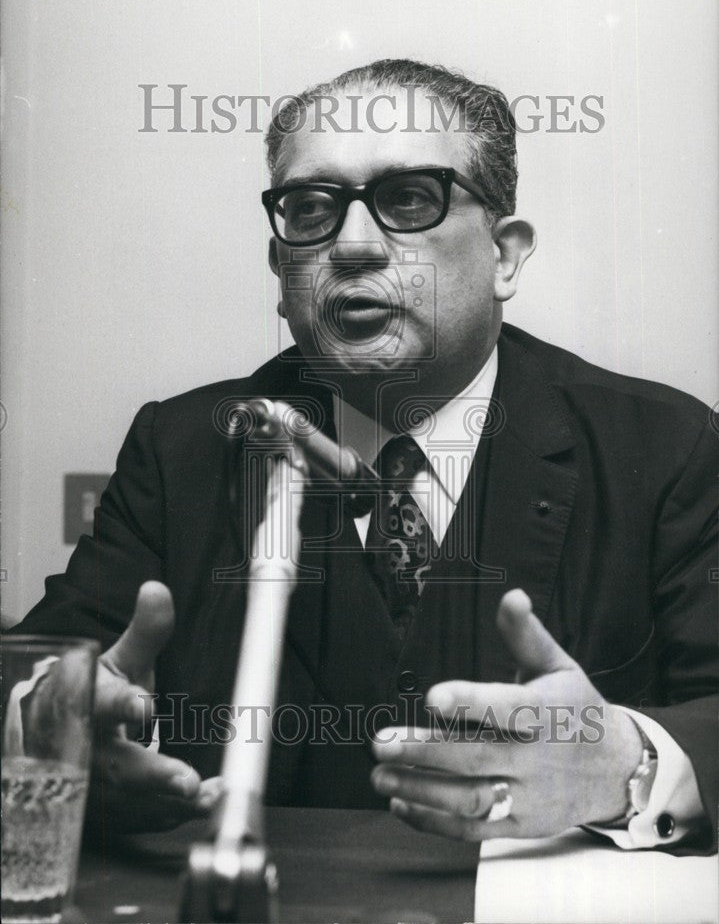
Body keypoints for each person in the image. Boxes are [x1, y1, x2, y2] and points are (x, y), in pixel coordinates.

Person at [15, 60, 717, 852]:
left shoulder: (661, 445)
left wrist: (631, 766)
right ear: (282, 271)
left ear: (505, 256)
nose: (351, 246)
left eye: (407, 199)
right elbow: (44, 686)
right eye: (311, 209)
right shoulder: (184, 447)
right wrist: (61, 734)